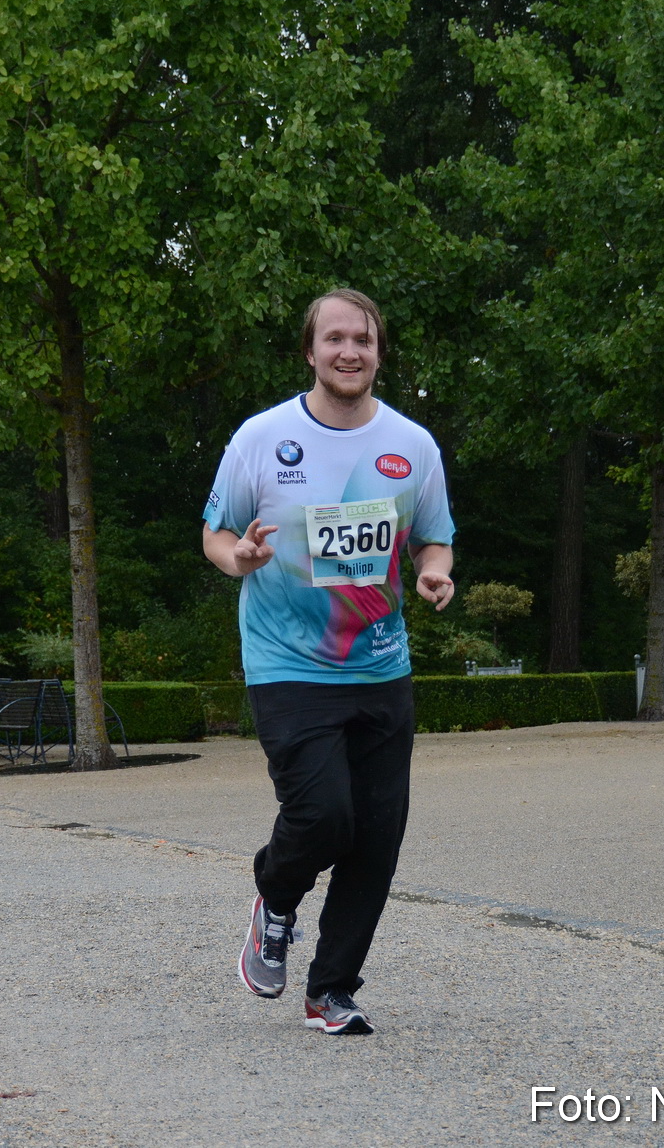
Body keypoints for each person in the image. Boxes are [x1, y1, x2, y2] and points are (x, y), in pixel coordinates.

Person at [202, 289, 455, 1035]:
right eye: (336, 338)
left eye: (364, 339)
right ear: (310, 351)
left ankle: (330, 990)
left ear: (378, 352)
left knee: (377, 835)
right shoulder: (262, 437)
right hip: (287, 662)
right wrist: (238, 555)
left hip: (381, 665)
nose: (351, 351)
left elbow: (432, 536)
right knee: (322, 814)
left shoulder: (413, 446)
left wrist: (435, 570)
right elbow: (215, 533)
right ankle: (276, 900)